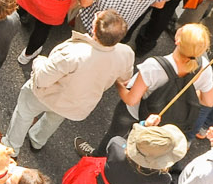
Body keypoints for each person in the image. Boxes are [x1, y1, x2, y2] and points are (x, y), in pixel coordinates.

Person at [8, 10, 136, 152]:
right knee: (53, 119)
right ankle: (37, 140)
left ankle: (12, 147)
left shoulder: (73, 53)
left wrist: (39, 61)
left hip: (45, 94)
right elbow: (125, 78)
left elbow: (42, 79)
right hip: (76, 102)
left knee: (24, 113)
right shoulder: (126, 53)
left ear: (94, 28)